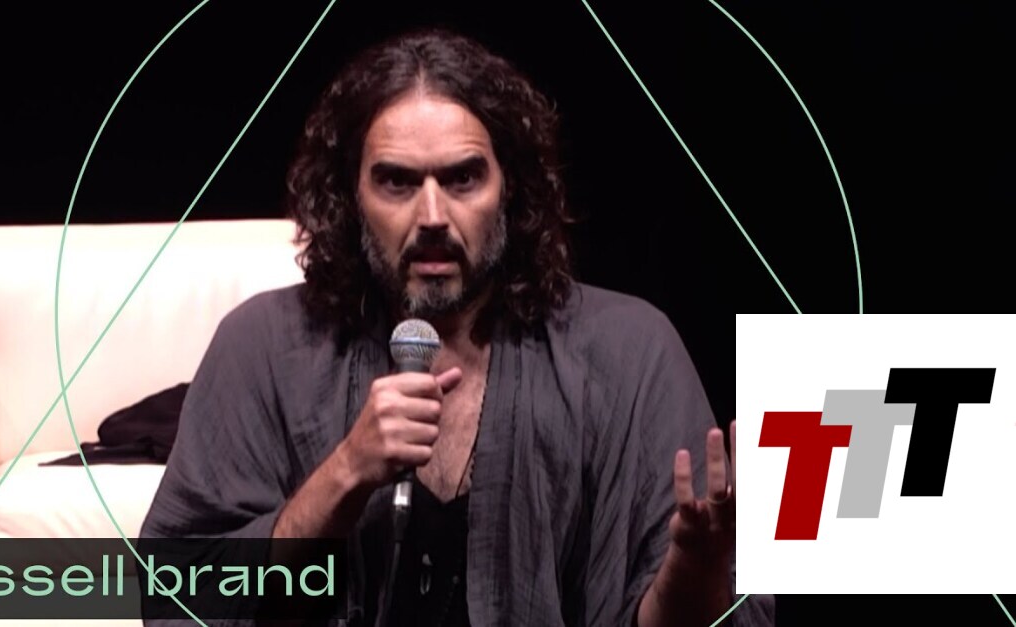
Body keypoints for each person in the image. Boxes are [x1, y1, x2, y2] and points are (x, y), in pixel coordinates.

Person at [140, 27, 775, 627]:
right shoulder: (263, 345)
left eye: (463, 177)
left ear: (510, 187)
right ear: (350, 194)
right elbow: (165, 594)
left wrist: (695, 565)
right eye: (396, 181)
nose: (433, 216)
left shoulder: (629, 351)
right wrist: (346, 473)